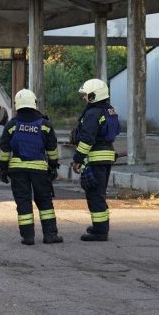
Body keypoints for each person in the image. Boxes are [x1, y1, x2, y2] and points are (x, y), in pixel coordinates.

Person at [0, 89, 63, 245]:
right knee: (45, 202)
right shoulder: (45, 126)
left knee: (23, 201)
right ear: (34, 104)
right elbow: (52, 150)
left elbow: (5, 149)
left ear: (17, 105)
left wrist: (3, 169)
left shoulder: (11, 125)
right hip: (40, 170)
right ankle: (50, 235)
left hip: (17, 171)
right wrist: (53, 167)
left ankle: (28, 237)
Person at [71, 79, 121, 241]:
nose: (84, 98)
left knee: (94, 194)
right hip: (107, 155)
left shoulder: (93, 113)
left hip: (96, 157)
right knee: (99, 193)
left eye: (86, 95)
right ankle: (100, 226)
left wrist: (77, 159)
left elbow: (87, 139)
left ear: (93, 96)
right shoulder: (109, 110)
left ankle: (100, 231)